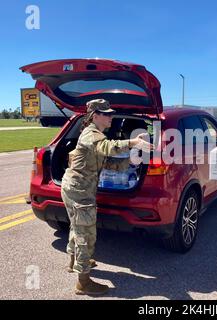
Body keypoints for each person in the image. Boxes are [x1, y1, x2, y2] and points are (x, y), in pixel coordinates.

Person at [61, 99, 153, 295]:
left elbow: (106, 162)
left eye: (111, 113)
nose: (111, 116)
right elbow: (108, 148)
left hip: (77, 188)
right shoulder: (91, 134)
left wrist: (131, 161)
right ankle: (83, 282)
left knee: (77, 226)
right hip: (79, 190)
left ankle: (73, 261)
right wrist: (133, 142)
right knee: (86, 232)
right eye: (107, 114)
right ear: (95, 116)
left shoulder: (96, 135)